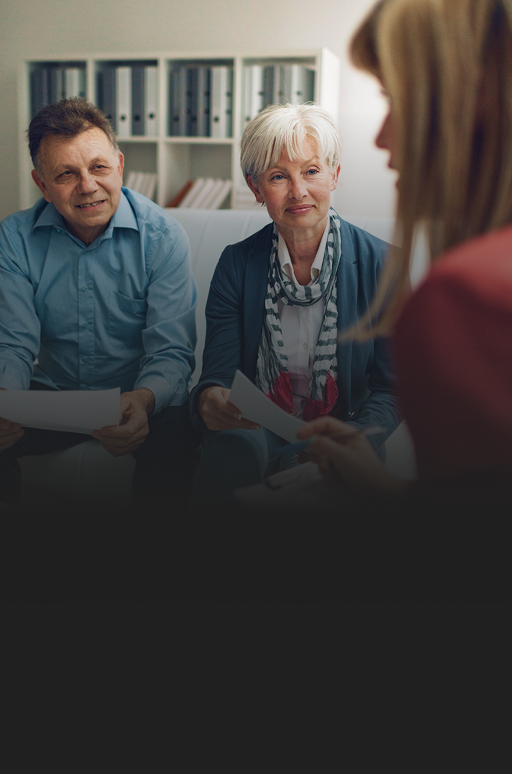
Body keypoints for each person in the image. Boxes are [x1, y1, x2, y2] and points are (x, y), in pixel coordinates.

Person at [296, 0, 512, 584]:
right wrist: (388, 489)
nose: (383, 138)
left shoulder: (466, 297)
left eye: (396, 100)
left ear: (478, 97)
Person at [189, 103, 401, 505]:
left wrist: (358, 440)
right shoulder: (237, 263)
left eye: (311, 171)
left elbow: (392, 389)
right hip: (258, 429)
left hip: (345, 431)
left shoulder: (384, 264)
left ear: (334, 175)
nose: (298, 191)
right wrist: (209, 400)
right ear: (255, 188)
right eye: (278, 176)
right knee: (234, 445)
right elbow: (217, 377)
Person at [0, 97, 199, 513]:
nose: (87, 185)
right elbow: (14, 343)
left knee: (178, 426)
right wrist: (7, 402)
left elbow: (170, 352)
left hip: (136, 399)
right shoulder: (14, 239)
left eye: (99, 167)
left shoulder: (163, 237)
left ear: (120, 166)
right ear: (42, 185)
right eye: (66, 174)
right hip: (52, 399)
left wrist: (143, 399)